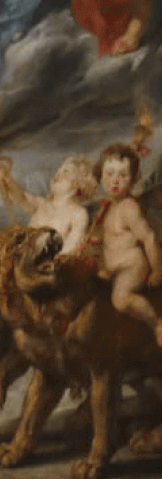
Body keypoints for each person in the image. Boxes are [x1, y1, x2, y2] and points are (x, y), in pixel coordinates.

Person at [91, 143, 162, 345]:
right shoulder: (105, 209)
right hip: (112, 268)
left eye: (123, 175)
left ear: (133, 179)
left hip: (132, 266)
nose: (116, 180)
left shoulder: (129, 207)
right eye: (110, 173)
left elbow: (148, 237)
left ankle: (157, 323)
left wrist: (157, 270)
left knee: (120, 299)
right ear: (101, 176)